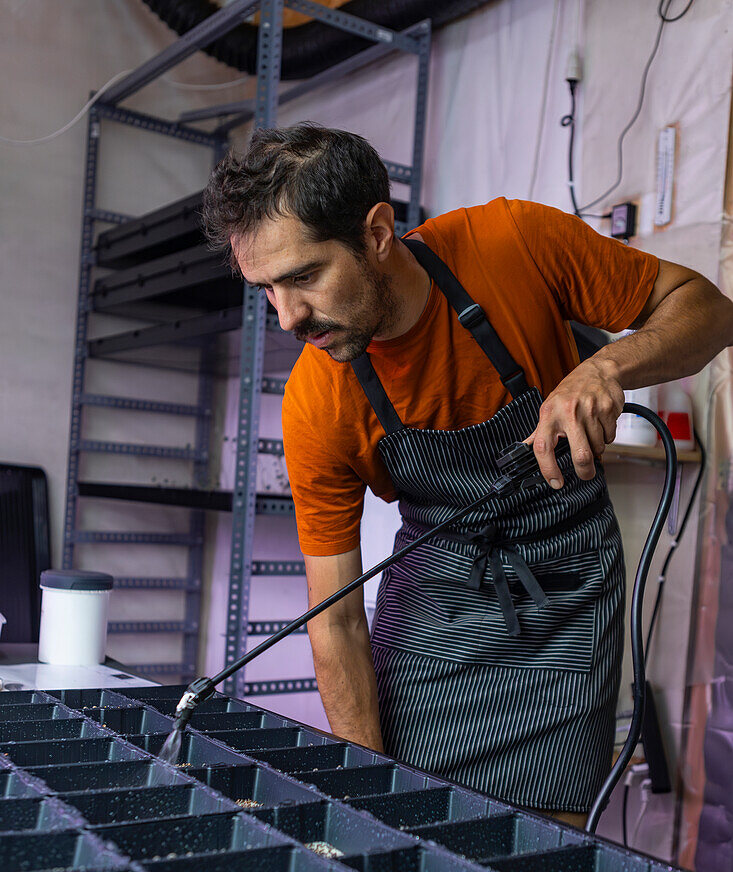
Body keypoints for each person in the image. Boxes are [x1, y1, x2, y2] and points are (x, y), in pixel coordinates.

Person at [202, 123, 733, 828]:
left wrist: (603, 367)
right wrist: (362, 799)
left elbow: (710, 312)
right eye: (266, 290)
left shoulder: (511, 244)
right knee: (409, 828)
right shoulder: (316, 401)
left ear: (378, 233)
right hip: (435, 611)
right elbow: (335, 622)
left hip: (568, 593)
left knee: (544, 854)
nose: (288, 317)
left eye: (303, 277)